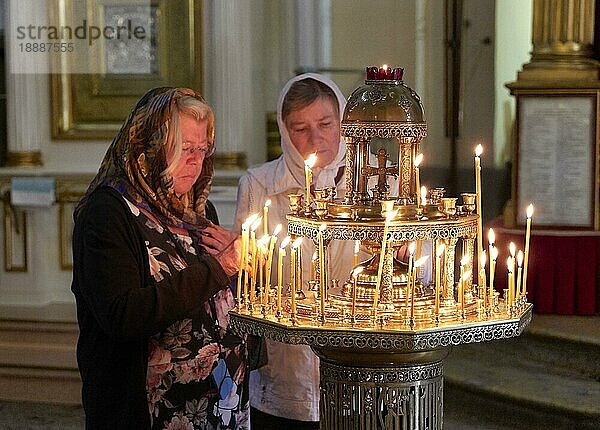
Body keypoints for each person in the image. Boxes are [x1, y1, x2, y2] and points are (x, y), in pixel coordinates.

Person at [71, 87, 249, 429]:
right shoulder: (108, 214)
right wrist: (219, 267)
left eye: (202, 149)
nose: (196, 162)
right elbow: (124, 315)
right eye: (184, 149)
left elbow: (215, 299)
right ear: (149, 147)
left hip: (221, 403)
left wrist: (242, 272)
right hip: (149, 412)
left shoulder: (197, 209)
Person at [233, 73, 356, 429]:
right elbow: (245, 282)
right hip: (284, 376)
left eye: (325, 124)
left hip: (359, 368)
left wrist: (400, 256)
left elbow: (420, 273)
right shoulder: (259, 186)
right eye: (300, 128)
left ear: (343, 123)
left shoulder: (380, 183)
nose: (315, 138)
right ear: (285, 131)